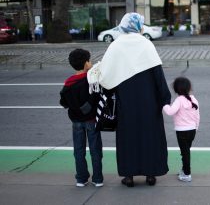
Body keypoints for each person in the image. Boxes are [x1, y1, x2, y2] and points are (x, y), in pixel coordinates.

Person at [87, 12, 171, 187]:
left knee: (128, 138)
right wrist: (165, 99)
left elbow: (106, 77)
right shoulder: (146, 45)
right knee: (151, 137)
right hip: (150, 102)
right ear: (138, 26)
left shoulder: (116, 46)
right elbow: (158, 75)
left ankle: (129, 176)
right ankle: (150, 174)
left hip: (126, 102)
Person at [59, 48, 103, 188]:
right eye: (89, 61)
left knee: (79, 150)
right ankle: (97, 179)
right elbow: (97, 97)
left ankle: (81, 178)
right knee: (95, 150)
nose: (90, 63)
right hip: (91, 120)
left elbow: (63, 102)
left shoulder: (68, 83)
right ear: (86, 64)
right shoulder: (90, 80)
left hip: (76, 121)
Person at [163, 76, 200, 182]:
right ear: (189, 88)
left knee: (185, 153)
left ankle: (187, 174)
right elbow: (197, 116)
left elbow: (170, 112)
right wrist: (196, 127)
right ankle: (184, 170)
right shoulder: (193, 99)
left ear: (176, 89)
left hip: (182, 131)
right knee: (186, 151)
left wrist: (163, 104)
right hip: (192, 130)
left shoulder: (179, 100)